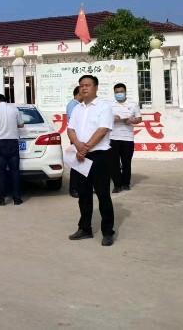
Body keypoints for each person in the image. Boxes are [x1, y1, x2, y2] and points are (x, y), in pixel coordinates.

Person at [67, 75, 116, 246]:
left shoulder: (104, 107)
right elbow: (70, 129)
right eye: (81, 85)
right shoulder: (77, 108)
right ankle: (85, 228)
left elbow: (102, 131)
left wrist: (85, 148)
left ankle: (108, 232)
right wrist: (78, 145)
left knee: (103, 195)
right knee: (83, 194)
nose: (84, 88)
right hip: (81, 156)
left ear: (96, 87)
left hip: (99, 156)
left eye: (88, 85)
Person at [0, 93, 25, 206]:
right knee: (15, 171)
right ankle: (17, 199)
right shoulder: (14, 109)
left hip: (0, 144)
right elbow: (21, 125)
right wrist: (12, 125)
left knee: (1, 172)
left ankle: (1, 199)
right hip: (13, 143)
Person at [110, 83, 142, 192]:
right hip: (113, 137)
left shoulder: (133, 104)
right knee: (114, 163)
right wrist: (113, 118)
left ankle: (126, 183)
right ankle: (117, 185)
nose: (119, 94)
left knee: (126, 162)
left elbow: (139, 119)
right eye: (117, 92)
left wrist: (132, 120)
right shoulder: (110, 105)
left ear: (125, 92)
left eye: (121, 92)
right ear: (114, 93)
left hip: (128, 138)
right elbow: (104, 118)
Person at [65, 86, 83, 198]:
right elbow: (74, 122)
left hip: (81, 137)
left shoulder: (79, 105)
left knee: (83, 163)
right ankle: (74, 188)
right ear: (78, 94)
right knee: (76, 163)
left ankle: (82, 187)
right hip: (76, 138)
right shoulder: (73, 105)